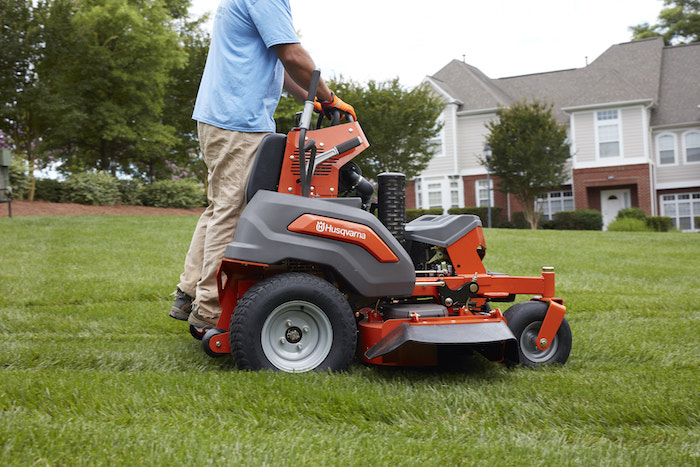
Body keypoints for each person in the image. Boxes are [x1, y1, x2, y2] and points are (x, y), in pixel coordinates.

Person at [169, 0, 356, 329]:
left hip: (221, 118)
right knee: (233, 211)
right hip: (237, 123)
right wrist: (330, 97)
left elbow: (281, 71)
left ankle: (188, 293)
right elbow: (293, 56)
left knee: (220, 208)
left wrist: (318, 100)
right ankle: (209, 311)